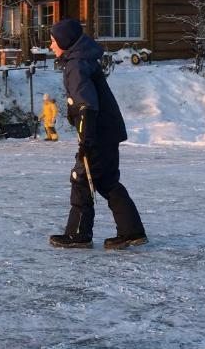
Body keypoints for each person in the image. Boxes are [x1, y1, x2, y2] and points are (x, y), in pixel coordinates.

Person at [47, 19, 147, 250]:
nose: (51, 46)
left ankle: (79, 235)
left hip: (98, 132)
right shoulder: (83, 60)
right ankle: (132, 231)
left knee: (81, 178)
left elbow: (85, 105)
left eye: (53, 41)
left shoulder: (76, 64)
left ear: (64, 42)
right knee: (108, 181)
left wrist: (86, 140)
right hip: (107, 130)